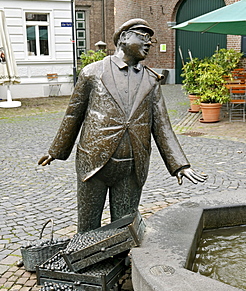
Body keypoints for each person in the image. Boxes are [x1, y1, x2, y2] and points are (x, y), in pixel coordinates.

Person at [39, 18, 206, 233]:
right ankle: (86, 260)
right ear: (124, 37)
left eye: (151, 40)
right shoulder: (92, 72)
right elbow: (73, 114)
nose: (148, 43)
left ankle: (120, 258)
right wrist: (57, 150)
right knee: (88, 224)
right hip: (93, 161)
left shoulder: (151, 80)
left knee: (124, 224)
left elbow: (163, 125)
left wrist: (179, 165)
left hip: (132, 165)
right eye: (143, 37)